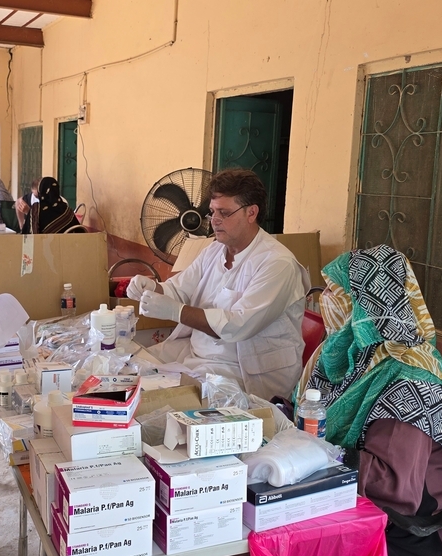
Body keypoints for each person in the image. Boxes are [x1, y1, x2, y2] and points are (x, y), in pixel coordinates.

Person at [295, 244, 442, 556]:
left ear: (367, 305)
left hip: (398, 532)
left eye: (337, 291)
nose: (326, 300)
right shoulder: (350, 357)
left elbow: (395, 485)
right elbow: (311, 417)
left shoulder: (410, 379)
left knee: (271, 539)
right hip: (347, 502)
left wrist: (314, 449)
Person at [126, 168, 310, 401]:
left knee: (160, 399)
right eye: (212, 211)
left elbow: (238, 326)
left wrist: (176, 312)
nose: (214, 220)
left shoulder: (277, 264)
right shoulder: (214, 250)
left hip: (241, 370)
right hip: (196, 354)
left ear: (251, 212)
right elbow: (179, 289)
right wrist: (152, 288)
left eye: (224, 212)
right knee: (130, 367)